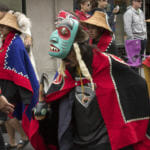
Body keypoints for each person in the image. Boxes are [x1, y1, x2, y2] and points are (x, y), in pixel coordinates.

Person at [30, 11, 150, 150]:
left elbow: (136, 83)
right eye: (63, 60)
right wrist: (42, 107)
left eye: (68, 57)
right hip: (77, 141)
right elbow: (55, 103)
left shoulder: (107, 63)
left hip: (104, 141)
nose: (66, 62)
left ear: (78, 50)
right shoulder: (66, 73)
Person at [0, 11, 39, 150]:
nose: (1, 30)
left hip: (11, 83)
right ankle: (12, 141)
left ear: (11, 28)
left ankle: (23, 136)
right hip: (5, 82)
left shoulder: (15, 42)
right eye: (1, 27)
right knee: (5, 114)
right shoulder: (7, 40)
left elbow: (18, 66)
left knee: (6, 113)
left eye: (4, 27)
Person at [123, 0, 147, 72]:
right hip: (135, 40)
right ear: (133, 2)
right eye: (139, 1)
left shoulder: (141, 12)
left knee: (139, 62)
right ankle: (133, 81)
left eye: (141, 1)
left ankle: (138, 80)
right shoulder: (129, 13)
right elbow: (127, 28)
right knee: (134, 63)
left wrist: (145, 37)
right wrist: (132, 41)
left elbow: (144, 25)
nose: (141, 2)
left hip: (143, 39)